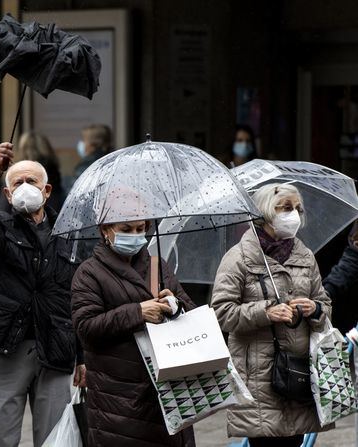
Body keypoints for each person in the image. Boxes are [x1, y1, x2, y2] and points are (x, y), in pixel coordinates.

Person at [0, 143, 85, 447]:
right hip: (9, 342)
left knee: (55, 435)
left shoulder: (69, 233)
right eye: (16, 183)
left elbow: (78, 296)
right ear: (7, 195)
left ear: (46, 191)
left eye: (30, 182)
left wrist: (83, 356)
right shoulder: (0, 228)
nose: (23, 188)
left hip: (57, 344)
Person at [211, 183, 332, 446]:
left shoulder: (305, 255)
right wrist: (266, 312)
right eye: (286, 208)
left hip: (297, 373)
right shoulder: (239, 258)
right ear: (266, 211)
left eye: (298, 209)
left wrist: (316, 309)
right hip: (258, 377)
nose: (294, 215)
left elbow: (324, 302)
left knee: (294, 441)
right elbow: (222, 313)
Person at [71, 217, 196, 446]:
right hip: (118, 400)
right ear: (105, 230)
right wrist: (137, 312)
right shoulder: (88, 273)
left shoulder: (158, 266)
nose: (135, 235)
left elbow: (191, 314)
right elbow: (86, 328)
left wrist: (175, 304)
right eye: (126, 229)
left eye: (141, 229)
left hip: (166, 392)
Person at [0, 131, 65, 213]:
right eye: (19, 182)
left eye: (31, 181)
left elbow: (2, 211)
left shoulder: (14, 176)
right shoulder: (54, 175)